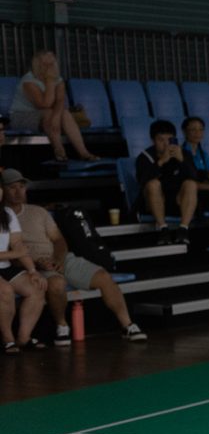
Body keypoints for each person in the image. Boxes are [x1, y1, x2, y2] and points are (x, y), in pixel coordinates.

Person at [3, 169, 144, 344]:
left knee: (103, 277)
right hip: (31, 265)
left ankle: (127, 325)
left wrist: (58, 259)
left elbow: (58, 239)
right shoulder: (3, 216)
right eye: (12, 187)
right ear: (2, 190)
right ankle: (62, 326)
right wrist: (37, 265)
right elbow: (9, 254)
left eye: (21, 186)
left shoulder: (39, 211)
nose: (18, 192)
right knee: (56, 284)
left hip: (58, 258)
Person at [10, 50, 97, 162]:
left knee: (64, 113)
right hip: (21, 117)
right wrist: (50, 82)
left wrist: (56, 117)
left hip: (48, 116)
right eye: (45, 64)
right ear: (38, 65)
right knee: (49, 113)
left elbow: (60, 101)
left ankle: (84, 153)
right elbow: (44, 104)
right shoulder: (28, 81)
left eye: (52, 64)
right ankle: (59, 150)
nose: (49, 67)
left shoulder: (59, 79)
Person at [135, 119, 198, 244]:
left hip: (177, 201)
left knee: (191, 184)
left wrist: (182, 161)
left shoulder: (183, 154)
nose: (165, 144)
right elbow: (142, 181)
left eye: (169, 139)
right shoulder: (144, 156)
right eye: (161, 140)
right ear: (153, 141)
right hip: (154, 201)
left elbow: (195, 177)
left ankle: (183, 229)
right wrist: (161, 162)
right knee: (153, 184)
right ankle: (163, 229)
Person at [1, 204, 49, 354]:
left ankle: (24, 338)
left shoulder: (6, 212)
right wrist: (13, 254)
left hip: (5, 265)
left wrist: (32, 270)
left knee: (36, 287)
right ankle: (8, 340)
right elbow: (16, 252)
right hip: (7, 259)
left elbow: (17, 244)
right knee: (5, 291)